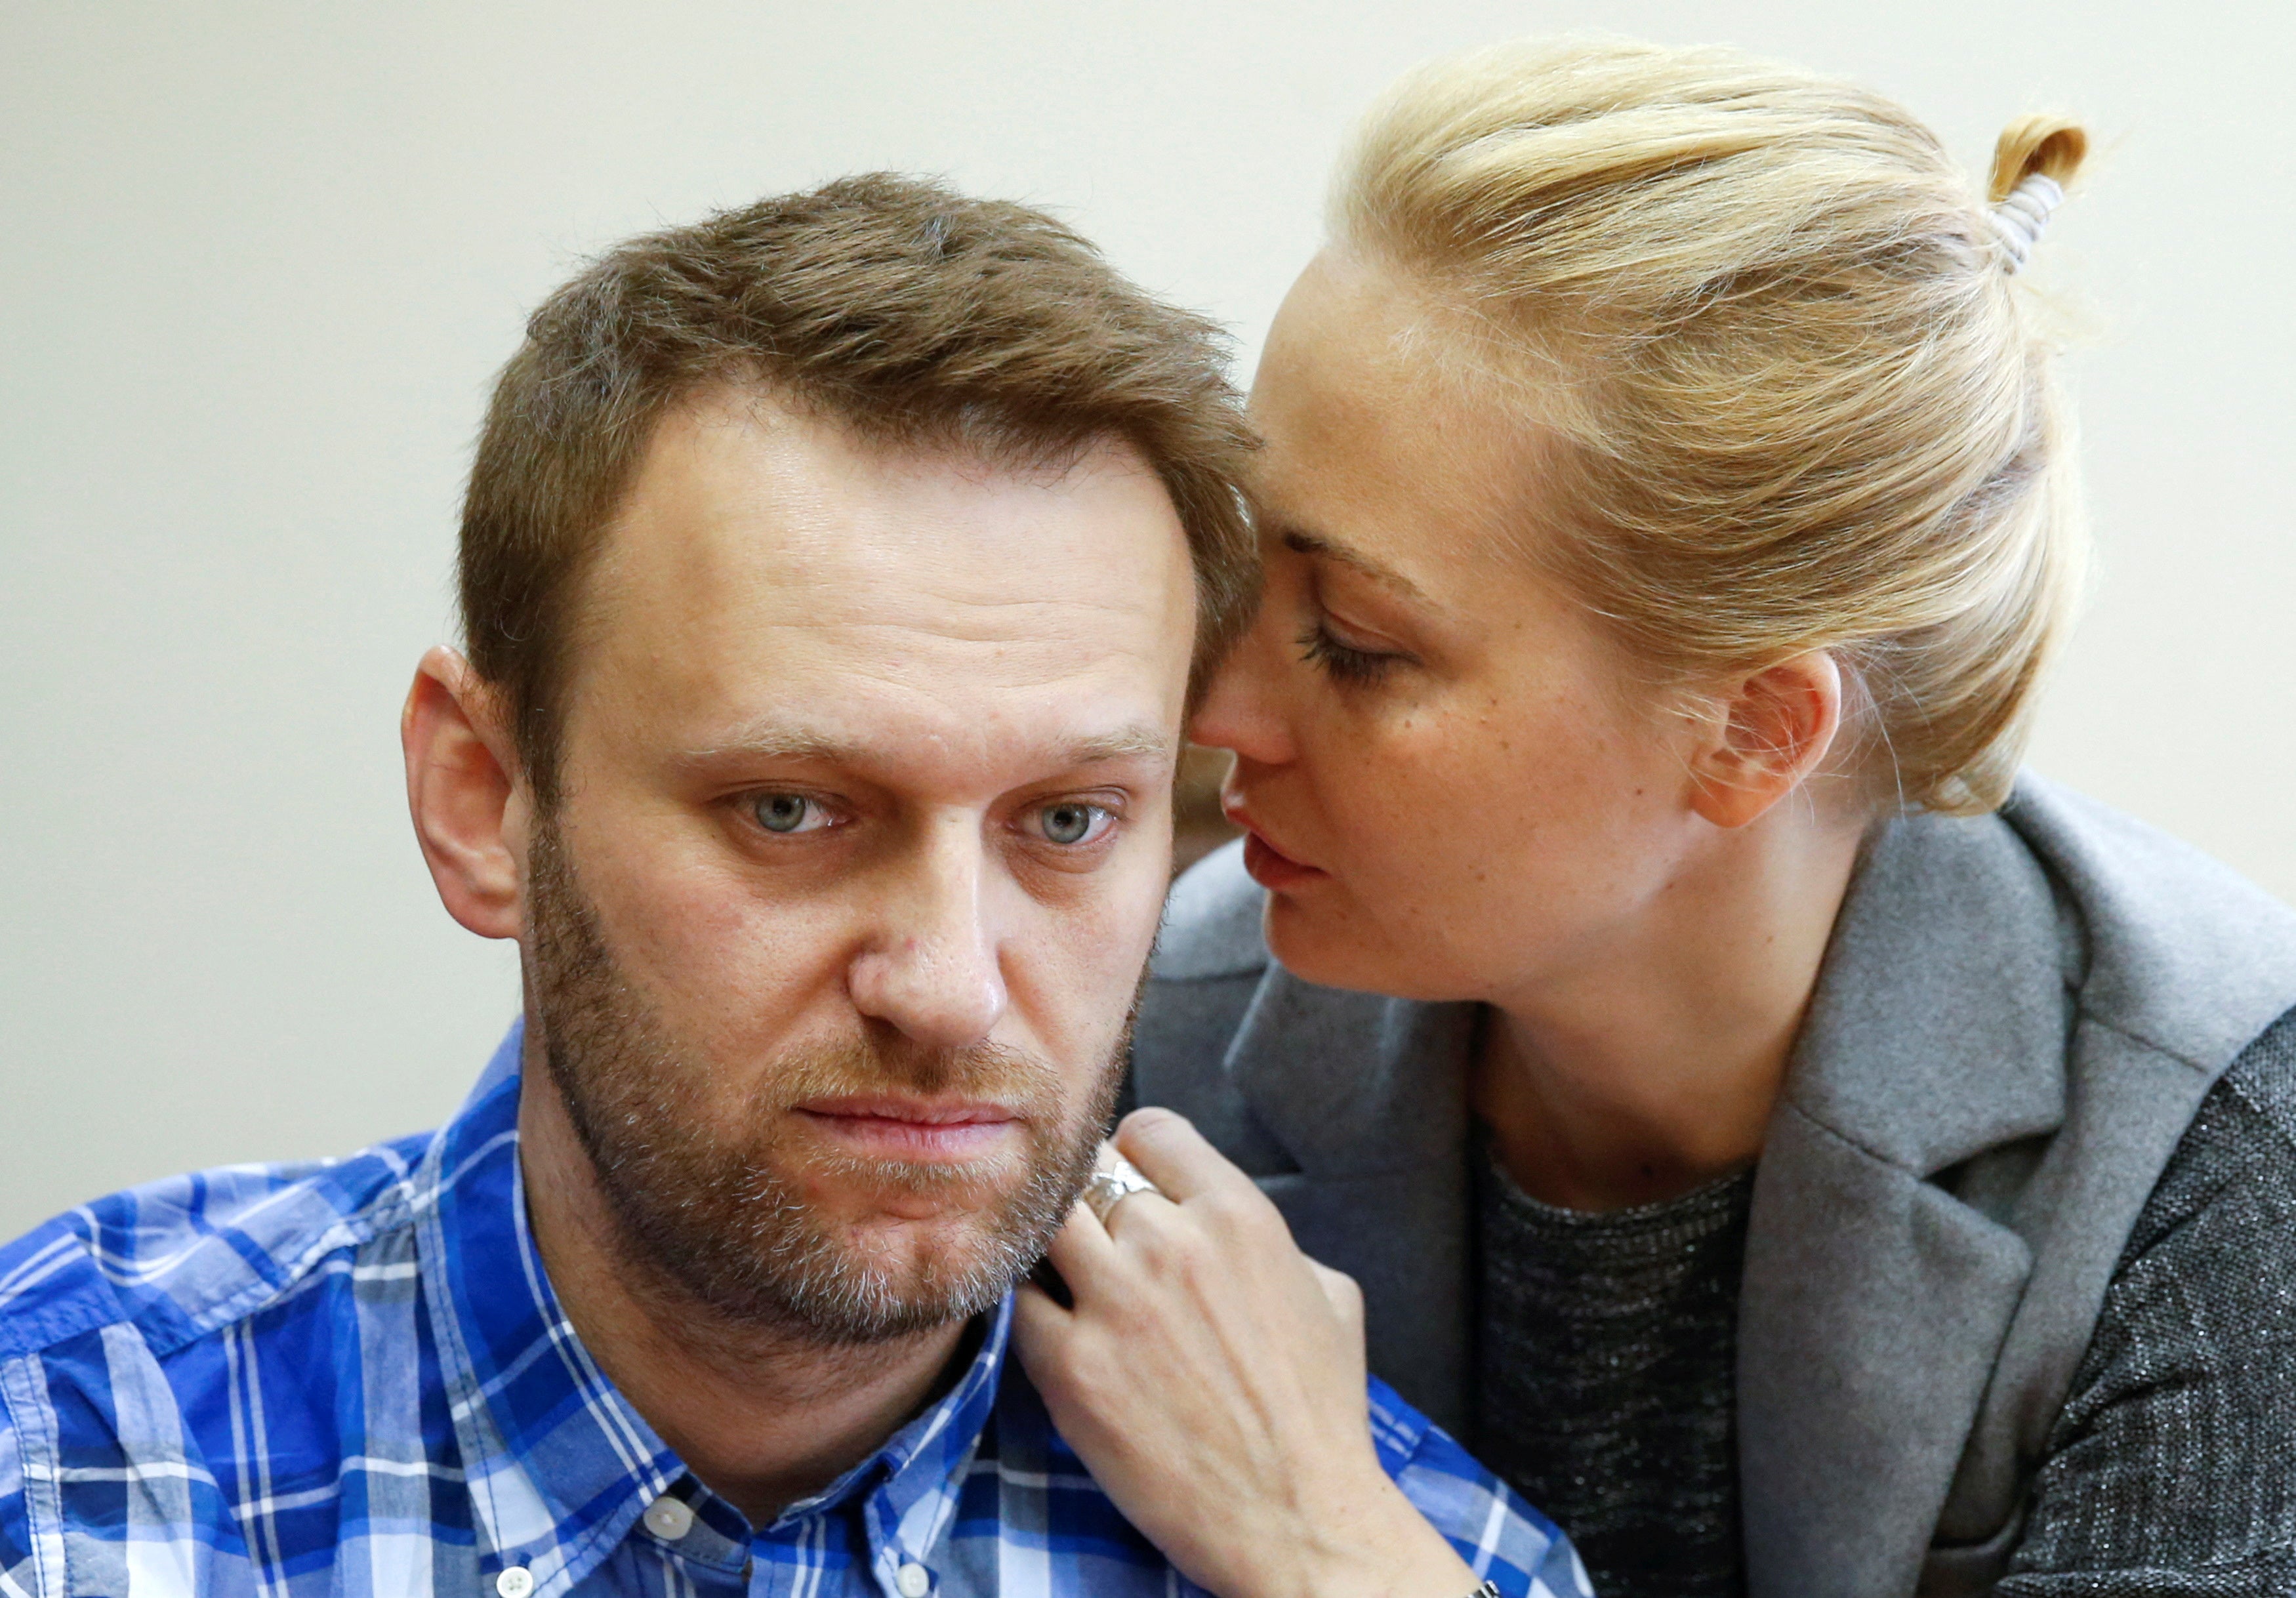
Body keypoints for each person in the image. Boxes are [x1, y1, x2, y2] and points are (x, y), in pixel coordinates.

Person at [0, 176, 1589, 1598]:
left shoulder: (1419, 1556)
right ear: (483, 801)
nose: (952, 983)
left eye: (1067, 823)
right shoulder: (69, 1471)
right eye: (790, 808)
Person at [1014, 37, 2296, 1598]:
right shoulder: (1137, 1024)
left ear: (1750, 732)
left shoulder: (2227, 1170)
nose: (1211, 719)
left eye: (1355, 640)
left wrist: (1321, 1547)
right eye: (1240, 566)